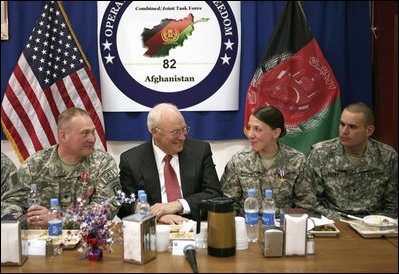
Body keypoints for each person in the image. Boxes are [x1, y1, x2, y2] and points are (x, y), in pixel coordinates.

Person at [0, 107, 121, 228]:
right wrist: (27, 220)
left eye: (93, 132)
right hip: (42, 240)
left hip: (88, 240)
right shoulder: (35, 164)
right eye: (85, 133)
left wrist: (58, 219)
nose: (92, 138)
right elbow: (10, 202)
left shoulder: (103, 163)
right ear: (63, 136)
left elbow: (107, 208)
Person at [117, 103, 221, 224]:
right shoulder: (131, 160)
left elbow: (215, 194)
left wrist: (178, 205)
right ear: (155, 132)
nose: (182, 137)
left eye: (184, 129)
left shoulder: (200, 151)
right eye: (176, 132)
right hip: (154, 228)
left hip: (193, 225)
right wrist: (155, 216)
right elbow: (125, 205)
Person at [300, 102, 398, 219]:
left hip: (374, 226)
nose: (344, 131)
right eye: (342, 124)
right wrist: (341, 220)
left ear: (369, 131)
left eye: (352, 127)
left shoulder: (387, 156)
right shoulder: (321, 153)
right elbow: (309, 201)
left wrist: (372, 222)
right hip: (334, 223)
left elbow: (392, 205)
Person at [220, 105, 308, 217]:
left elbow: (305, 205)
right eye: (249, 128)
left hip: (285, 227)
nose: (250, 135)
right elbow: (229, 204)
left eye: (257, 129)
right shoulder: (239, 161)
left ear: (275, 133)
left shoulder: (297, 161)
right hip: (248, 226)